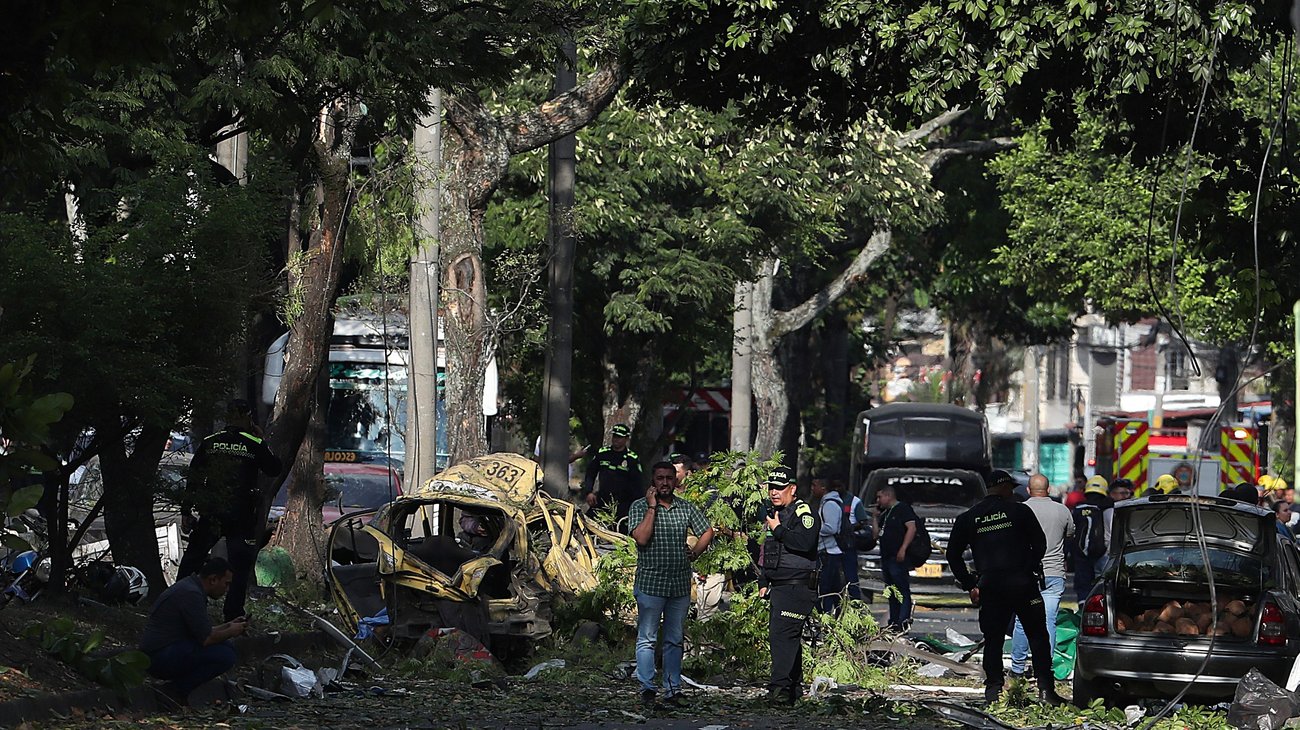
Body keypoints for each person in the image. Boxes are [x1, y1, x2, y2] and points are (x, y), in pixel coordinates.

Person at [946, 469, 1064, 706]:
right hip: (1023, 584)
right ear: (1004, 488)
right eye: (1011, 487)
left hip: (991, 586)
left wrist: (971, 584)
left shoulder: (969, 517)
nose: (1013, 491)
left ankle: (993, 691)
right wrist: (1027, 567)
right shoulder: (1020, 511)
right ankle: (1045, 690)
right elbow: (1039, 544)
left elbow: (953, 555)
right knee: (1038, 635)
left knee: (993, 639)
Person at [176, 399, 282, 621]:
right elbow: (274, 469)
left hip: (212, 512)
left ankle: (177, 604)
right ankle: (233, 615)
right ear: (246, 417)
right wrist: (262, 440)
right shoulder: (254, 443)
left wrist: (186, 510)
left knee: (192, 560)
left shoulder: (211, 442)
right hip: (241, 515)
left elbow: (194, 478)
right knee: (240, 567)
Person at [628, 462, 714, 708]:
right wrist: (652, 508)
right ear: (652, 481)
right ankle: (647, 689)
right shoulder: (639, 506)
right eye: (659, 478)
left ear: (676, 481)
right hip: (650, 584)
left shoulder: (685, 507)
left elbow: (707, 531)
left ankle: (673, 689)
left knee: (675, 639)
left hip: (678, 585)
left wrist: (695, 553)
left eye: (669, 478)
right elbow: (642, 538)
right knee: (647, 638)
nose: (664, 482)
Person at [139, 557, 248, 701]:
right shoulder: (191, 594)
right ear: (213, 579)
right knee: (226, 656)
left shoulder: (191, 588)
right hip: (159, 656)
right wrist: (232, 631)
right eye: (226, 584)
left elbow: (203, 630)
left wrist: (229, 625)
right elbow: (206, 639)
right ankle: (175, 691)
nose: (227, 590)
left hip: (170, 648)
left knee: (227, 647)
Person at [758, 466, 819, 706]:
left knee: (782, 638)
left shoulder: (802, 512)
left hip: (798, 586)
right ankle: (792, 689)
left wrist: (779, 530)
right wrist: (763, 579)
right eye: (771, 487)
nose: (774, 492)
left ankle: (779, 690)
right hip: (780, 587)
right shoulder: (774, 513)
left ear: (792, 489)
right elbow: (768, 550)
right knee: (786, 638)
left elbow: (805, 542)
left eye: (780, 488)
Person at [1009, 474, 1073, 679]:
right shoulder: (1062, 511)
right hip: (1054, 573)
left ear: (1028, 490)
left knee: (1022, 620)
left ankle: (1018, 668)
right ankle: (1044, 668)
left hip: (1026, 573)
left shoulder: (1019, 510)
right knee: (1048, 621)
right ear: (1049, 489)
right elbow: (1070, 534)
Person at [580, 424, 643, 529]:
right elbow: (590, 473)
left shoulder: (632, 458)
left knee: (621, 531)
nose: (616, 439)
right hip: (603, 499)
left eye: (619, 437)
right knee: (586, 525)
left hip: (623, 502)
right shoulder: (603, 453)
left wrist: (636, 505)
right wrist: (588, 492)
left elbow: (637, 483)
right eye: (615, 436)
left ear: (626, 439)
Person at [874, 484, 918, 631]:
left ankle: (903, 620)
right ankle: (894, 621)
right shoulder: (886, 513)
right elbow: (875, 535)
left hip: (897, 556)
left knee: (902, 589)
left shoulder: (902, 509)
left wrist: (903, 549)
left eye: (880, 497)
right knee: (891, 590)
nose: (878, 500)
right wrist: (875, 518)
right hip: (886, 556)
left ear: (888, 496)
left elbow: (912, 528)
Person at [1070, 475, 1113, 603]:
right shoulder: (1107, 507)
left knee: (1082, 586)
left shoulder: (1078, 508)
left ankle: (1082, 609)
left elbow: (1071, 531)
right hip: (1101, 552)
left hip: (1080, 553)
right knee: (1101, 584)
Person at [811, 477, 845, 613]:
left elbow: (831, 528)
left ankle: (825, 615)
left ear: (823, 488)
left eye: (814, 485)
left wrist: (814, 529)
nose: (812, 489)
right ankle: (835, 614)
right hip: (827, 552)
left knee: (825, 588)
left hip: (829, 552)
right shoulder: (825, 503)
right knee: (833, 587)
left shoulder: (830, 504)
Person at [835, 478, 867, 601]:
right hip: (833, 545)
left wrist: (848, 529)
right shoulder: (830, 500)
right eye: (834, 486)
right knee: (835, 581)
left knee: (851, 578)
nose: (837, 489)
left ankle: (855, 606)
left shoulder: (854, 501)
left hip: (848, 545)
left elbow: (862, 521)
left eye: (839, 485)